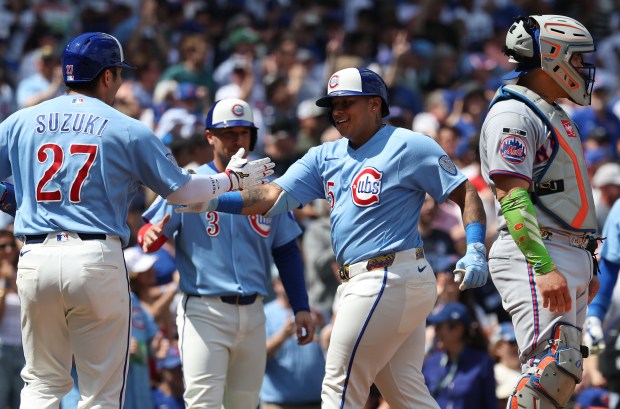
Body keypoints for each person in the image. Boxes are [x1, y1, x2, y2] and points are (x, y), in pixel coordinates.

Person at [182, 67, 490, 408]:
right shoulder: (325, 155)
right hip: (369, 283)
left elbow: (465, 193)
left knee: (338, 385)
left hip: (388, 276)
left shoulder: (409, 144)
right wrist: (211, 199)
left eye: (347, 102)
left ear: (375, 104)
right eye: (333, 104)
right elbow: (270, 196)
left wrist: (476, 245)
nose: (338, 111)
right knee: (406, 395)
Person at [0, 32, 274, 408]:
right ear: (108, 76)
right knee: (101, 392)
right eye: (119, 73)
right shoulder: (124, 127)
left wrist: (16, 203)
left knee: (42, 384)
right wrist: (231, 179)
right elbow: (181, 192)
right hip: (94, 257)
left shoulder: (20, 120)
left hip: (35, 257)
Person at [139, 97, 314, 409]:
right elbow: (149, 234)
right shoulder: (190, 182)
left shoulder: (266, 186)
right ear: (210, 137)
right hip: (205, 310)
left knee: (244, 405)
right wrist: (148, 235)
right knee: (203, 404)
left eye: (244, 132)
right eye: (228, 132)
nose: (237, 140)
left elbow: (286, 249)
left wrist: (301, 304)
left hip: (254, 310)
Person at [479, 15, 601, 409]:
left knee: (562, 375)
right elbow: (511, 197)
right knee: (550, 370)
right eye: (578, 59)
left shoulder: (547, 111)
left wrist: (588, 264)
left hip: (565, 251)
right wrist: (544, 266)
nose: (583, 68)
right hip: (538, 253)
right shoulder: (513, 115)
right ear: (553, 56)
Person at [260, 273, 326, 409]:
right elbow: (257, 357)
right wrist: (283, 335)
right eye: (282, 277)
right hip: (278, 404)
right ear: (274, 284)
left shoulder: (316, 312)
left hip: (318, 402)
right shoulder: (265, 314)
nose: (290, 279)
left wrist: (325, 328)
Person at [422, 302, 498, 409]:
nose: (436, 332)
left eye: (439, 326)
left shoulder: (482, 362)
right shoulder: (431, 362)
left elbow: (490, 404)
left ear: (458, 329)